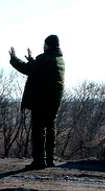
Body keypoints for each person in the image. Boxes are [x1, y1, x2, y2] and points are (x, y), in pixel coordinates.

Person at [9, 35, 65, 169]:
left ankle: (39, 161)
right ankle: (50, 160)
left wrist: (13, 58)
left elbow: (28, 69)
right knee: (50, 128)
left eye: (44, 44)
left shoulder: (45, 58)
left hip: (41, 100)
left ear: (47, 45)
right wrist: (32, 60)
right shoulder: (59, 59)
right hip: (54, 100)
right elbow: (39, 69)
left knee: (38, 131)